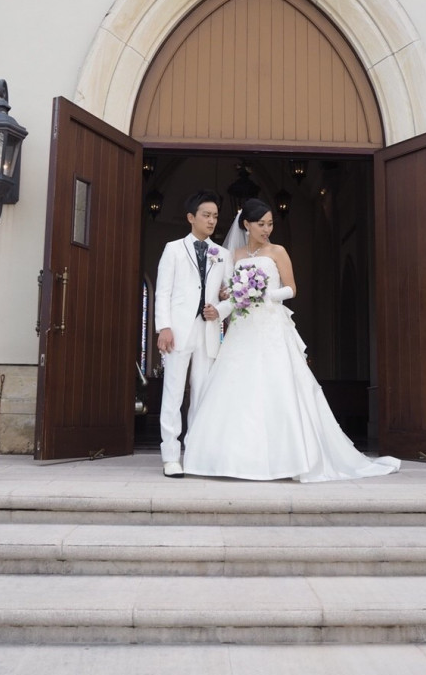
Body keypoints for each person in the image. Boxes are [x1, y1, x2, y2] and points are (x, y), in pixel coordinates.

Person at [182, 198, 401, 482]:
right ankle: (231, 459)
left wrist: (263, 294)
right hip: (242, 330)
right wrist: (219, 310)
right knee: (237, 386)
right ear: (246, 224)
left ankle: (287, 458)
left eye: (270, 223)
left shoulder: (278, 251)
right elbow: (232, 297)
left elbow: (291, 289)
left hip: (271, 325)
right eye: (261, 224)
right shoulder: (232, 255)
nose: (266, 229)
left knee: (277, 385)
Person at [154, 190, 234, 477]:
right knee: (173, 393)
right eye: (206, 215)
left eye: (215, 216)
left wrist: (221, 310)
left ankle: (196, 454)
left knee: (202, 393)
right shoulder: (173, 249)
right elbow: (163, 291)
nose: (212, 221)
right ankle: (171, 456)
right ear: (191, 218)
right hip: (177, 330)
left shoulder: (223, 255)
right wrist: (163, 327)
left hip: (209, 331)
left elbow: (232, 294)